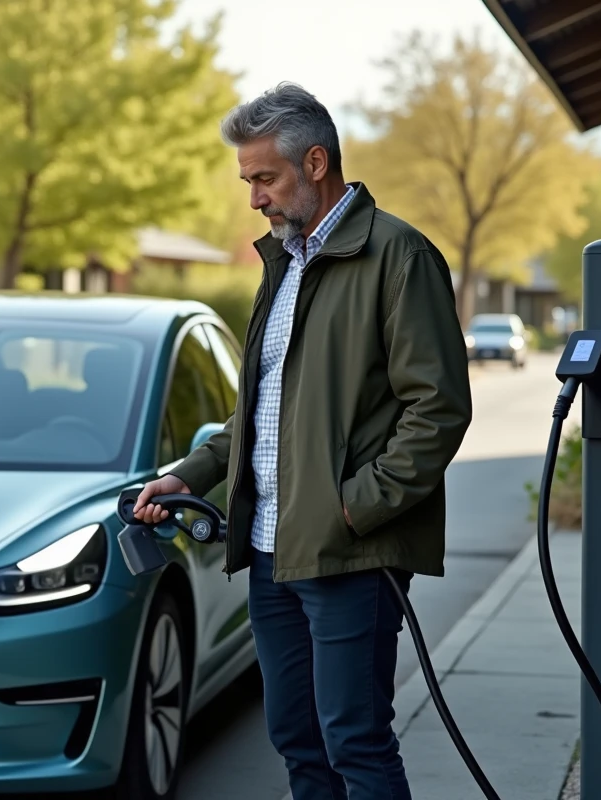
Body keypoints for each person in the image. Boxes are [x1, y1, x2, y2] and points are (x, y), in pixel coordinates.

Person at [133, 83, 472, 799]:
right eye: (248, 180)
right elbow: (261, 410)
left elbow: (437, 411)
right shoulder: (283, 264)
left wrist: (354, 509)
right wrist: (191, 474)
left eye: (265, 177)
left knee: (356, 741)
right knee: (296, 739)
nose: (253, 197)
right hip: (268, 550)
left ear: (315, 162)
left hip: (349, 552)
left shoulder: (400, 257)